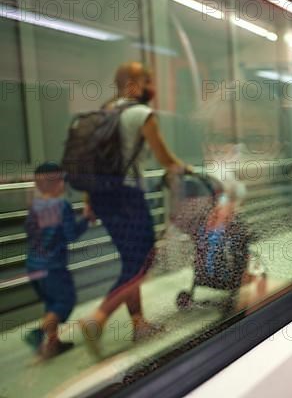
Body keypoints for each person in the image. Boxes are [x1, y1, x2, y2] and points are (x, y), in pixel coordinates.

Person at [79, 62, 191, 353]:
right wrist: (184, 168)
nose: (152, 86)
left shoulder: (103, 113)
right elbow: (166, 158)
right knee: (143, 261)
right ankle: (99, 318)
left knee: (132, 260)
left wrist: (89, 201)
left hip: (102, 197)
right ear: (132, 85)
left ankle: (139, 324)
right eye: (148, 80)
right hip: (127, 196)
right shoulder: (142, 114)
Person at [24, 163, 92, 359]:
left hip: (33, 266)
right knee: (64, 301)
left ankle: (54, 343)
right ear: (57, 183)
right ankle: (38, 334)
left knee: (51, 303)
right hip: (53, 267)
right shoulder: (62, 206)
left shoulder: (34, 206)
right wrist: (86, 219)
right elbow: (71, 235)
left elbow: (30, 232)